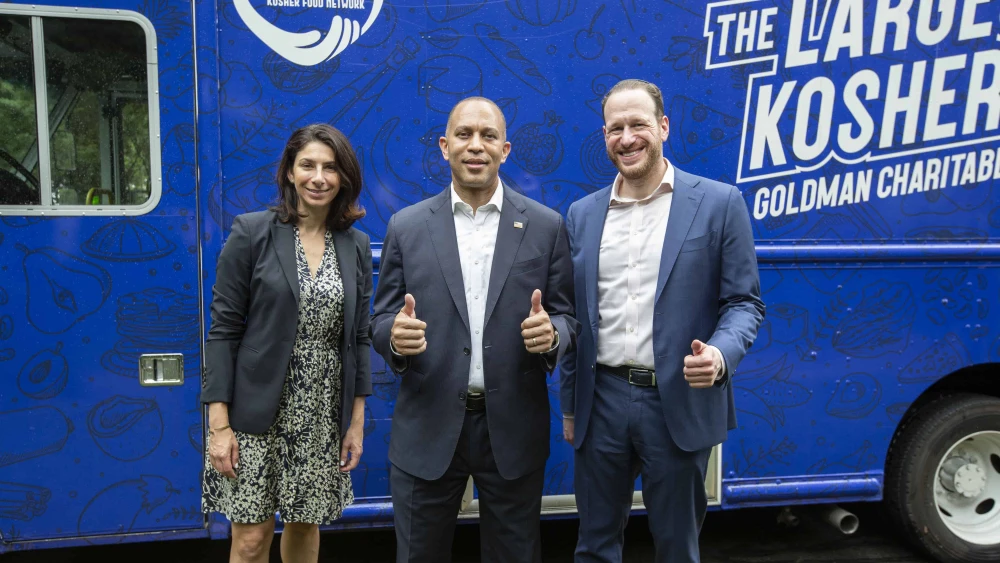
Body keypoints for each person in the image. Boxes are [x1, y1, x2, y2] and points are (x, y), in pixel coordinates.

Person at [560, 79, 765, 563]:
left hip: (677, 402)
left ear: (663, 127)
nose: (627, 138)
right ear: (604, 135)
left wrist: (719, 354)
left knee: (676, 547)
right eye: (615, 128)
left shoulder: (719, 202)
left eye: (638, 125)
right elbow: (576, 317)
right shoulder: (582, 215)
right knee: (594, 546)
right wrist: (571, 407)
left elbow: (744, 303)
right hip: (601, 401)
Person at [370, 96, 578, 563]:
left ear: (506, 149)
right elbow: (380, 319)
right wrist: (393, 339)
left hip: (513, 429)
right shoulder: (407, 227)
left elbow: (567, 317)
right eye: (464, 135)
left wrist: (555, 336)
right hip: (427, 426)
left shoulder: (545, 227)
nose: (475, 145)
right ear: (445, 147)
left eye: (488, 136)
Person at [201, 123, 373, 563]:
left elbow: (358, 339)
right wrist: (218, 426)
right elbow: (222, 330)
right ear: (290, 173)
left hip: (321, 413)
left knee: (304, 527)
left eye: (330, 168)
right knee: (252, 539)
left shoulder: (355, 245)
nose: (319, 177)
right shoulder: (252, 232)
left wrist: (355, 421)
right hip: (254, 412)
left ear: (344, 178)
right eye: (308, 165)